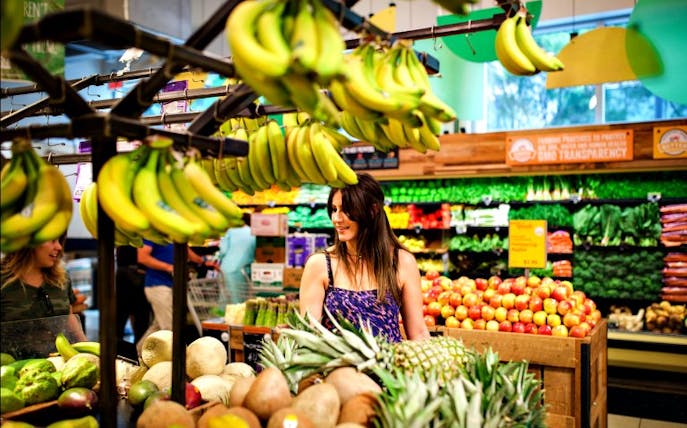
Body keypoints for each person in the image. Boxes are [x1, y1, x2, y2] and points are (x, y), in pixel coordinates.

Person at [299, 172, 430, 342]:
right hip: (338, 367)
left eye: (346, 210)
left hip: (389, 366)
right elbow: (309, 336)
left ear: (372, 211)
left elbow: (418, 333)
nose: (337, 218)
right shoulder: (320, 264)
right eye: (334, 209)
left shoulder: (402, 262)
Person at [1, 239, 88, 351]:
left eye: (59, 241)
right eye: (52, 241)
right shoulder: (4, 279)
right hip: (12, 365)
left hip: (58, 362)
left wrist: (86, 345)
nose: (59, 247)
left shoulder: (62, 277)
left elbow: (69, 315)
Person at [136, 240, 218, 351]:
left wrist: (203, 261)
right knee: (170, 328)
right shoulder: (153, 234)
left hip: (171, 285)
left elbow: (186, 251)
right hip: (157, 286)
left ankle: (138, 352)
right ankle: (176, 361)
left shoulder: (173, 235)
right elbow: (142, 257)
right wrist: (168, 267)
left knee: (158, 326)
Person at [115, 245, 151, 356]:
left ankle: (117, 353)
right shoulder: (144, 234)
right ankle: (135, 354)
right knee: (140, 317)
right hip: (135, 274)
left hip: (125, 273)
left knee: (121, 316)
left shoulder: (123, 233)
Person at [217, 213, 256, 304]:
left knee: (225, 298)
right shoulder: (254, 232)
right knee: (240, 299)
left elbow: (223, 250)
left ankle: (222, 316)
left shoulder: (230, 231)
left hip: (227, 267)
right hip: (244, 270)